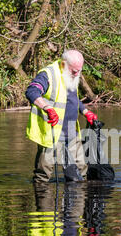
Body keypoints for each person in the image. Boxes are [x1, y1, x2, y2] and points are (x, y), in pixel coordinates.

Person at [25, 50, 98, 183]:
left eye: (79, 71)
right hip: (51, 133)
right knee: (43, 175)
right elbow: (32, 91)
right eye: (74, 71)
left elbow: (72, 98)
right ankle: (43, 200)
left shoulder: (72, 75)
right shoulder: (48, 74)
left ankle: (77, 202)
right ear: (64, 64)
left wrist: (85, 112)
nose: (77, 74)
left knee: (82, 171)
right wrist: (47, 108)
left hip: (71, 132)